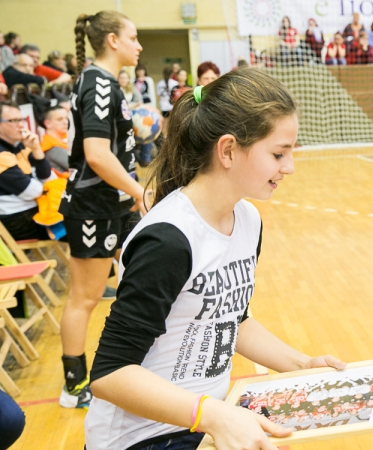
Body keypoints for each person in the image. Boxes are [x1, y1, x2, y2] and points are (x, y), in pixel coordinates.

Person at [84, 68, 347, 450]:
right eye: (278, 154)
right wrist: (213, 415)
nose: (289, 167)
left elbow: (231, 318)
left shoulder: (247, 219)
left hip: (199, 419)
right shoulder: (169, 239)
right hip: (145, 436)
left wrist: (301, 365)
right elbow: (110, 374)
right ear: (227, 150)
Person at [58, 10, 147, 409]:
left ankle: (133, 366)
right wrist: (138, 191)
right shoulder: (97, 84)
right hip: (93, 206)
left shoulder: (108, 83)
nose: (139, 45)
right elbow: (95, 155)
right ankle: (74, 385)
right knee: (85, 297)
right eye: (133, 37)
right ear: (112, 40)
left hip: (117, 202)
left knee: (146, 276)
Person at [0, 100, 53, 241]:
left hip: (32, 211)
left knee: (87, 217)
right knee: (82, 221)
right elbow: (31, 191)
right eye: (13, 120)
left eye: (21, 119)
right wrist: (45, 188)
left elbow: (49, 179)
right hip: (15, 221)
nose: (21, 125)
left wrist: (37, 150)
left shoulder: (21, 145)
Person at [40, 105, 70, 173]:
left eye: (67, 118)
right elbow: (78, 167)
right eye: (60, 119)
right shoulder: (53, 148)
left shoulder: (63, 141)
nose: (65, 122)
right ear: (48, 124)